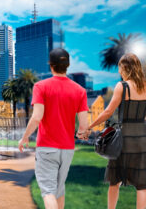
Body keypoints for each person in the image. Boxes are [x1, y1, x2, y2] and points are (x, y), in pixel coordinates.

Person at [18, 48, 89, 209]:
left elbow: (37, 117)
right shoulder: (80, 91)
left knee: (48, 192)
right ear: (68, 65)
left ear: (51, 66)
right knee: (58, 189)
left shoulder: (41, 86)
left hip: (47, 147)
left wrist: (24, 137)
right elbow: (83, 125)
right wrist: (80, 132)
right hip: (67, 149)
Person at [89, 53, 146, 209]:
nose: (119, 72)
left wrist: (90, 126)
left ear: (125, 68)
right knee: (142, 185)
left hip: (123, 139)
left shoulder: (123, 86)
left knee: (115, 181)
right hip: (142, 138)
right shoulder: (145, 86)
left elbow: (108, 112)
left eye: (120, 68)